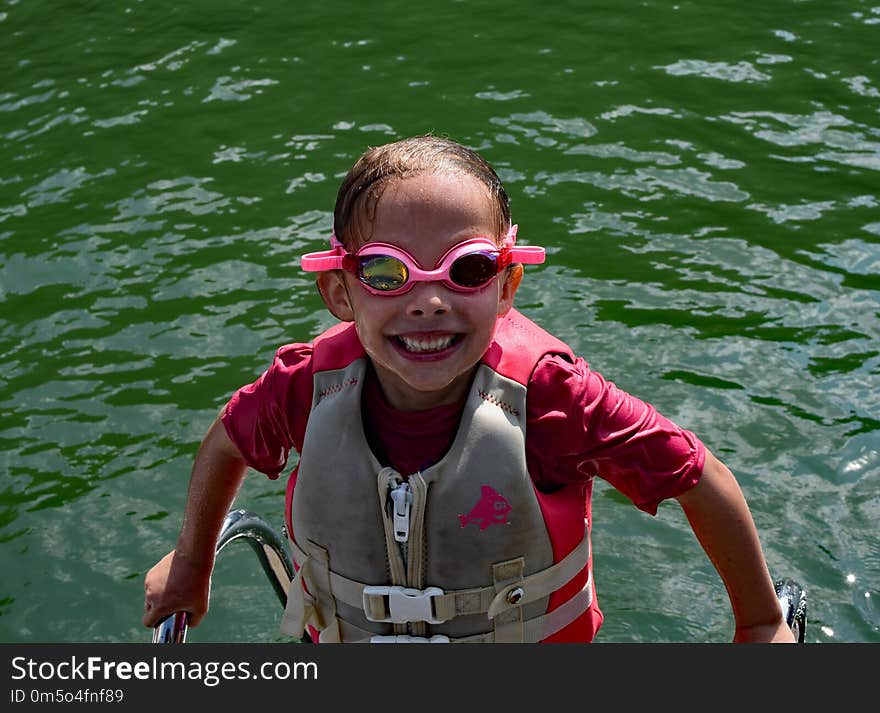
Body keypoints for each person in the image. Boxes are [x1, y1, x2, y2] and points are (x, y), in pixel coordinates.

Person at [142, 135, 795, 643]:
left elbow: (697, 474)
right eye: (385, 272)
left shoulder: (553, 398)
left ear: (507, 286)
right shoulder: (303, 388)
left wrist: (760, 620)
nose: (428, 300)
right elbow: (226, 440)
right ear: (340, 291)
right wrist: (192, 564)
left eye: (468, 269)